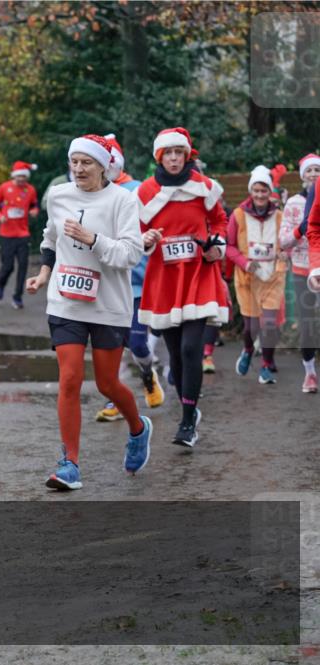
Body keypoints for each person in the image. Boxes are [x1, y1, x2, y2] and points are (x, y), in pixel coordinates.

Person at [25, 134, 151, 491]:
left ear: (103, 166)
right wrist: (43, 274)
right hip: (65, 299)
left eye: (87, 163)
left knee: (107, 383)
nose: (78, 169)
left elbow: (130, 254)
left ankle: (138, 428)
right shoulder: (59, 195)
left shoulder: (123, 201)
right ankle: (69, 464)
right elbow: (51, 239)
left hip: (109, 304)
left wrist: (92, 238)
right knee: (69, 379)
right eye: (74, 162)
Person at [137, 127, 229, 448]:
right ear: (159, 157)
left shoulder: (203, 187)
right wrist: (145, 240)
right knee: (175, 352)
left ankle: (188, 421)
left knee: (192, 348)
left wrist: (215, 244)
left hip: (197, 272)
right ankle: (189, 408)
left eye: (180, 153)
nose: (175, 159)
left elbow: (219, 220)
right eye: (168, 154)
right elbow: (137, 231)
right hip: (164, 276)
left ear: (187, 155)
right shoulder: (146, 191)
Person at [93, 134, 165, 421]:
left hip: (136, 282)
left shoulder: (138, 190)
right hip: (104, 283)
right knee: (110, 347)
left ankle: (148, 373)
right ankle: (114, 401)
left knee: (135, 344)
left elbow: (156, 228)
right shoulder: (89, 191)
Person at [229, 165, 286, 385]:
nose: (260, 195)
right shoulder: (238, 215)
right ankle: (247, 349)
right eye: (256, 190)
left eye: (264, 191)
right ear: (250, 192)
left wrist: (283, 253)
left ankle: (265, 366)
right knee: (251, 328)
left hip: (272, 277)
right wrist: (245, 262)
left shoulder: (279, 216)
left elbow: (287, 242)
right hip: (247, 279)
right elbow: (230, 247)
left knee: (270, 324)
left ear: (270, 192)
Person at [280, 154, 320, 392]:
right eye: (309, 171)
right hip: (301, 270)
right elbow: (283, 241)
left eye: (318, 170)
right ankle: (310, 373)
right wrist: (299, 230)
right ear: (302, 175)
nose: (314, 174)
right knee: (307, 324)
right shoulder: (294, 203)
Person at [0, 160, 40, 309]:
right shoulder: (4, 187)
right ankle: (0, 284)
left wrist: (34, 212)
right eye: (19, 177)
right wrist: (0, 215)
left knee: (23, 266)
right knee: (8, 266)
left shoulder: (30, 189)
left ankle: (18, 297)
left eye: (24, 177)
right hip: (6, 233)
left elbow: (34, 206)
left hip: (23, 233)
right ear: (14, 176)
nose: (21, 180)